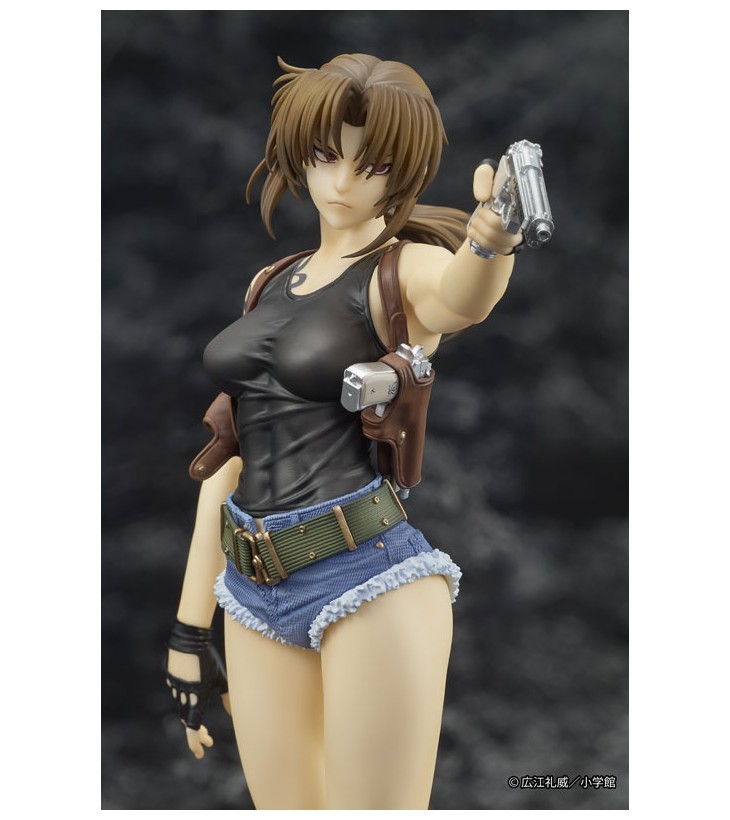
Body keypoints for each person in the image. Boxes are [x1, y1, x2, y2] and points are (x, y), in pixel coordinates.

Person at [165, 53, 522, 810]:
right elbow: (228, 460)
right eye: (327, 155)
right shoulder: (271, 283)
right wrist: (191, 628)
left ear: (404, 170)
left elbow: (460, 299)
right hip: (251, 585)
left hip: (366, 577)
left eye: (373, 165)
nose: (342, 181)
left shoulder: (405, 270)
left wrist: (490, 242)